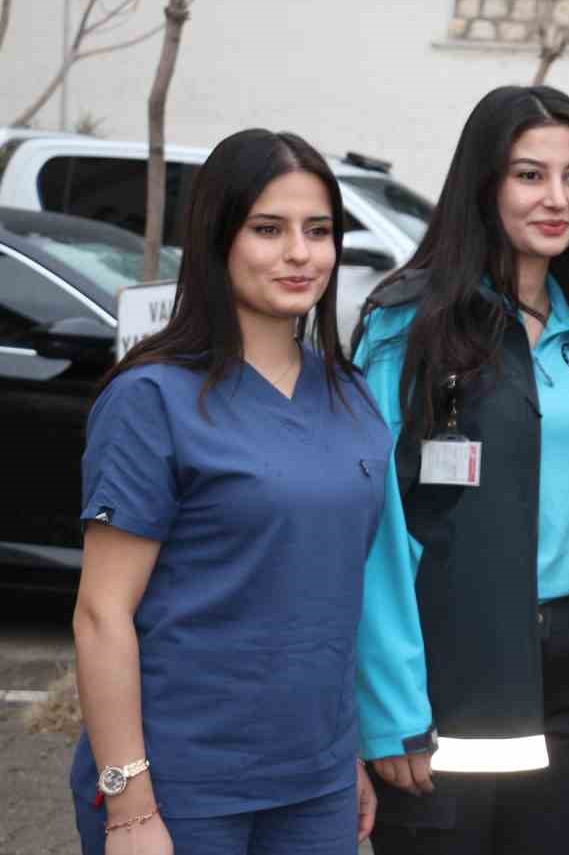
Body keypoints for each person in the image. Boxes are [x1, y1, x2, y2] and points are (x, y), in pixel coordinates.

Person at [70, 130, 387, 854]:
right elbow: (100, 614)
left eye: (319, 231)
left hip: (317, 784)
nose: (300, 253)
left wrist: (352, 758)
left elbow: (336, 595)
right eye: (268, 229)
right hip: (182, 784)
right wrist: (129, 804)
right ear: (217, 238)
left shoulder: (352, 397)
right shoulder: (152, 398)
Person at [354, 85, 569, 855]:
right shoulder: (406, 324)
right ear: (483, 183)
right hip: (449, 676)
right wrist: (387, 708)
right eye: (529, 175)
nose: (559, 199)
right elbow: (374, 521)